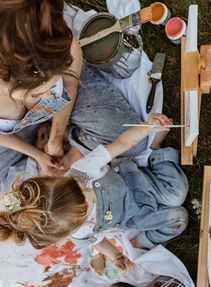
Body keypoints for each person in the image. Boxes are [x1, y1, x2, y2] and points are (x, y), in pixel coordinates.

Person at [0, 113, 189, 273]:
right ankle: (141, 242)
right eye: (85, 208)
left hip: (137, 182)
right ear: (73, 226)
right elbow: (97, 241)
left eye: (81, 190)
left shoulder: (82, 171)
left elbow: (121, 143)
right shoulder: (76, 231)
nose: (89, 194)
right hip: (134, 215)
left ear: (63, 180)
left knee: (178, 193)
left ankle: (156, 148)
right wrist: (116, 255)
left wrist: (147, 128)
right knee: (179, 218)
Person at [0, 0, 148, 190]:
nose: (46, 97)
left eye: (51, 88)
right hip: (13, 135)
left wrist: (57, 135)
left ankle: (69, 146)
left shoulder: (60, 46)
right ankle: (58, 152)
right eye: (37, 94)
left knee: (134, 140)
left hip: (66, 105)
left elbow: (69, 87)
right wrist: (37, 155)